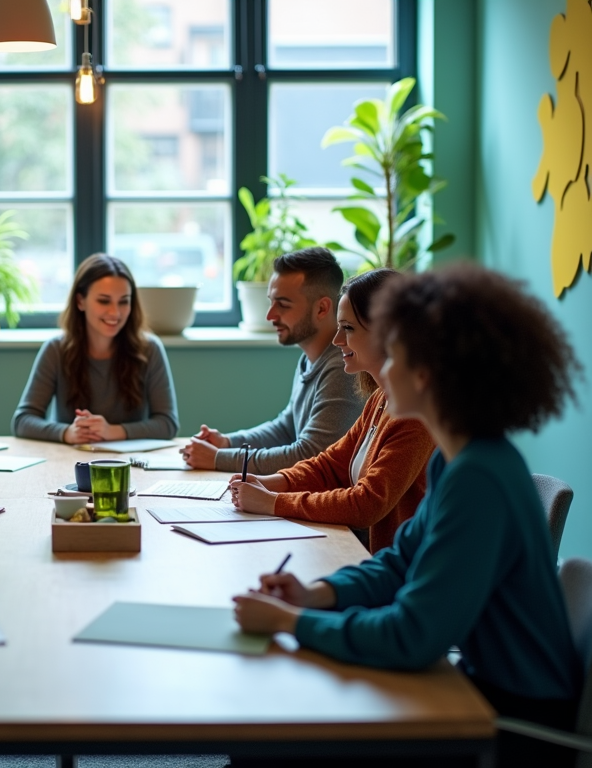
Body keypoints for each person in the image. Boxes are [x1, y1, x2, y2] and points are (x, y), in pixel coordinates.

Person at [232, 265, 584, 768]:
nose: (385, 371)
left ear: (426, 371)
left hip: (507, 724)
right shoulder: (458, 459)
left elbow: (410, 636)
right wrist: (316, 595)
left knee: (274, 743)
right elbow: (398, 563)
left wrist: (295, 621)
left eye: (394, 355)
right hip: (475, 692)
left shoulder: (478, 479)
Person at [228, 269, 434, 553]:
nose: (337, 340)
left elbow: (366, 504)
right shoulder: (379, 401)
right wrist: (270, 483)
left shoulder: (415, 415)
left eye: (348, 328)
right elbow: (329, 466)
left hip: (396, 573)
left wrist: (272, 502)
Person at [181, 247, 362, 472]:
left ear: (322, 308)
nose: (270, 315)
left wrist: (219, 459)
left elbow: (310, 455)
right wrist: (227, 442)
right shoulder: (311, 359)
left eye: (283, 305)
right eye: (271, 302)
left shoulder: (341, 368)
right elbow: (286, 429)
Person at [11, 253, 179, 443]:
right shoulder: (56, 349)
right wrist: (67, 433)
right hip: (70, 462)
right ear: (80, 301)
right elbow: (22, 421)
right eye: (104, 301)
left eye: (124, 301)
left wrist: (112, 431)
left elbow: (168, 424)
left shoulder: (150, 349)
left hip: (130, 466)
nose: (115, 312)